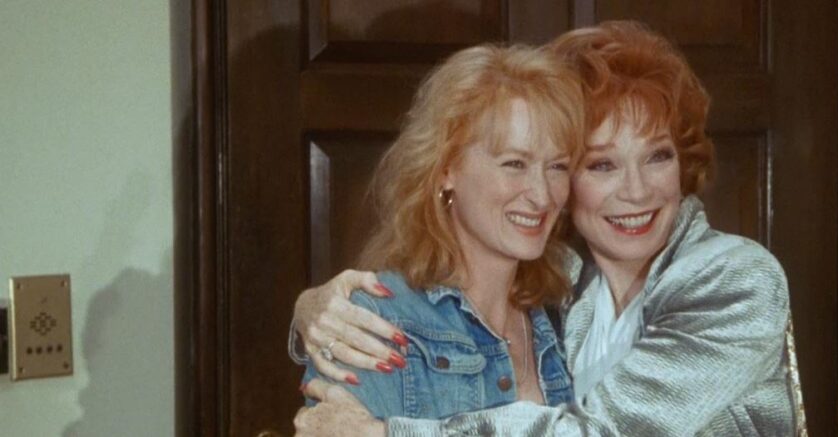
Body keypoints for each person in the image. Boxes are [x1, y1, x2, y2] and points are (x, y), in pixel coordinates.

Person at [293, 21, 806, 436]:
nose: (637, 191)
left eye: (658, 156)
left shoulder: (738, 281)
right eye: (601, 164)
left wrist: (388, 434)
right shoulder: (561, 289)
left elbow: (605, 432)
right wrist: (310, 310)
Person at [293, 43, 589, 426]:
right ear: (446, 168)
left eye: (557, 167)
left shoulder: (569, 311)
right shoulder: (372, 322)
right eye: (514, 163)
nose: (542, 194)